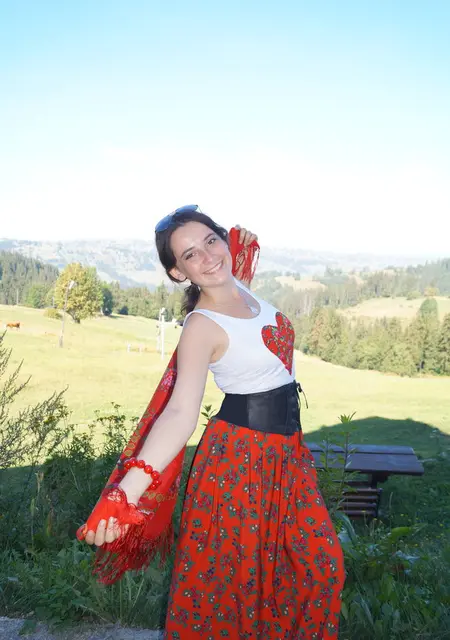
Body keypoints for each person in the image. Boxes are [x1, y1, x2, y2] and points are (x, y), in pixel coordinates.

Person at [78, 205, 345, 639]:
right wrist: (126, 494)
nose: (207, 256)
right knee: (234, 591)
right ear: (177, 272)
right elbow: (179, 413)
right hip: (240, 463)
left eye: (211, 241)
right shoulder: (201, 327)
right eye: (190, 255)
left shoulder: (241, 287)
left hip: (287, 459)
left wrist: (239, 245)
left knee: (318, 568)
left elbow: (232, 262)